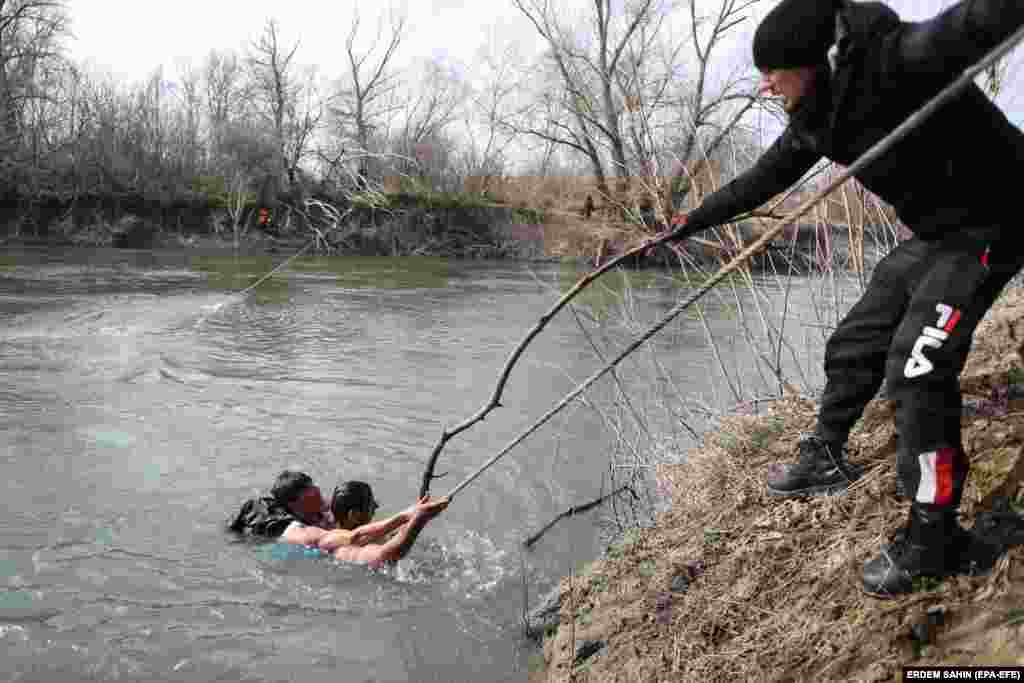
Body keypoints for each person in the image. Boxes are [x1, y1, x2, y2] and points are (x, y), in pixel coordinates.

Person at [664, 0, 1024, 597]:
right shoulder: (817, 116)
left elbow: (968, 25)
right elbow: (761, 180)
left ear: (809, 62)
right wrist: (688, 222)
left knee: (917, 367)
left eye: (772, 72)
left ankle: (934, 538)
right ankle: (826, 456)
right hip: (938, 234)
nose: (765, 85)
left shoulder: (897, 60)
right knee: (857, 339)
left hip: (997, 222)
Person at [318, 481, 449, 566]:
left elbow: (388, 535)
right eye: (371, 503)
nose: (376, 506)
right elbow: (389, 554)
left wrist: (416, 515)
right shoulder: (344, 548)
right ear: (354, 515)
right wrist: (420, 518)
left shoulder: (343, 531)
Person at [227, 470, 332, 539]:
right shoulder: (286, 525)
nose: (317, 489)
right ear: (293, 504)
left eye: (313, 486)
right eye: (310, 489)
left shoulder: (313, 509)